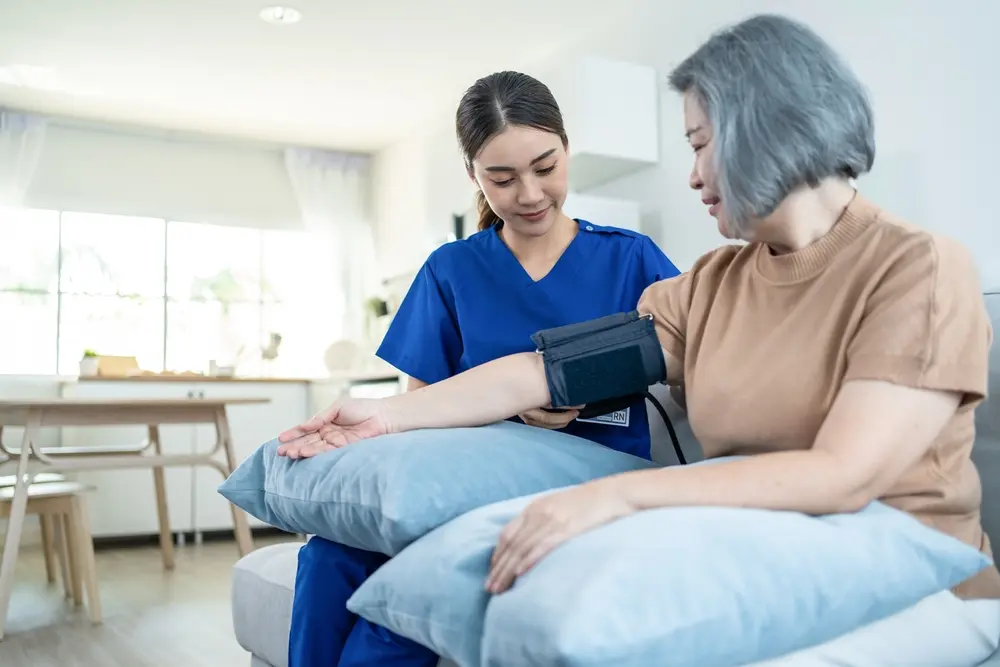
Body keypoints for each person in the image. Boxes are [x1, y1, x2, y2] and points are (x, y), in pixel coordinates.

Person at [279, 14, 1000, 667]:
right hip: (756, 542)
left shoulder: (918, 266)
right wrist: (379, 419)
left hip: (914, 570)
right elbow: (538, 372)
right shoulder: (713, 284)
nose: (690, 177)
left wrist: (621, 498)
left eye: (699, 145)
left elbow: (845, 475)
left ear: (763, 128)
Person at [280, 70, 680, 667]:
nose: (529, 194)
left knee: (392, 620)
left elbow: (691, 360)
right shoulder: (451, 270)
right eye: (502, 178)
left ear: (567, 149)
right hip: (466, 481)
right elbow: (422, 415)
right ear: (473, 176)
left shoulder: (631, 258)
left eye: (546, 168)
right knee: (326, 558)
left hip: (587, 483)